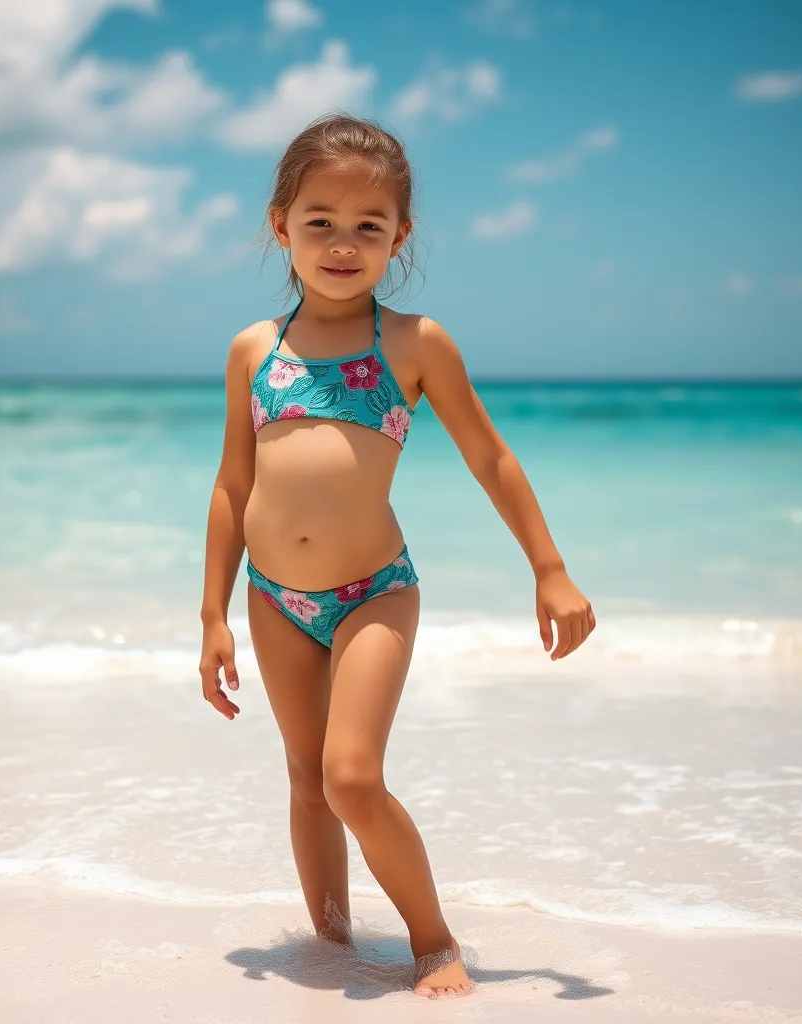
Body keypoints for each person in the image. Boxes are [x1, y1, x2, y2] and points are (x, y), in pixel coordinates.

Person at [198, 112, 595, 999]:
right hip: (271, 597)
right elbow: (231, 486)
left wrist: (550, 566)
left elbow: (491, 456)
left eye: (368, 227)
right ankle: (332, 945)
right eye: (320, 222)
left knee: (350, 776)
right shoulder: (253, 351)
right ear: (281, 226)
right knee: (305, 779)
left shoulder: (412, 343)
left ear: (399, 237)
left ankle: (431, 937)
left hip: (374, 590)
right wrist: (210, 615)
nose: (343, 244)